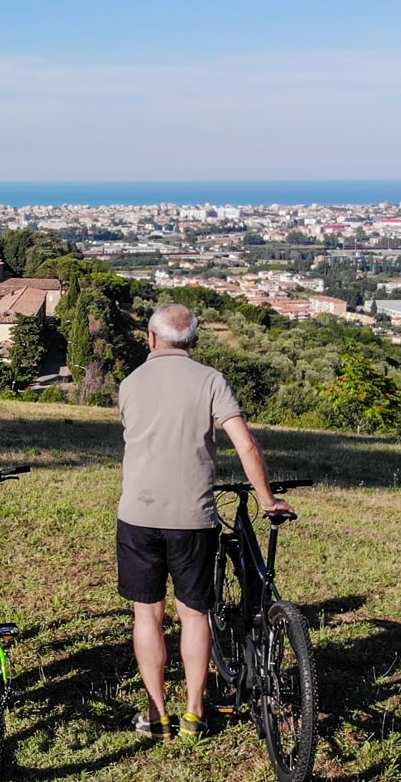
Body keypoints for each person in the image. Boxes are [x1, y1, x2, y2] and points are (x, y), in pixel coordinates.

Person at [117, 303, 292, 741]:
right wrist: (268, 499)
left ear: (152, 339)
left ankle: (157, 715)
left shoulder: (130, 383)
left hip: (138, 514)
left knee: (147, 615)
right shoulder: (211, 381)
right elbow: (246, 445)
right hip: (193, 518)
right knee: (194, 615)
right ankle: (194, 713)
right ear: (193, 341)